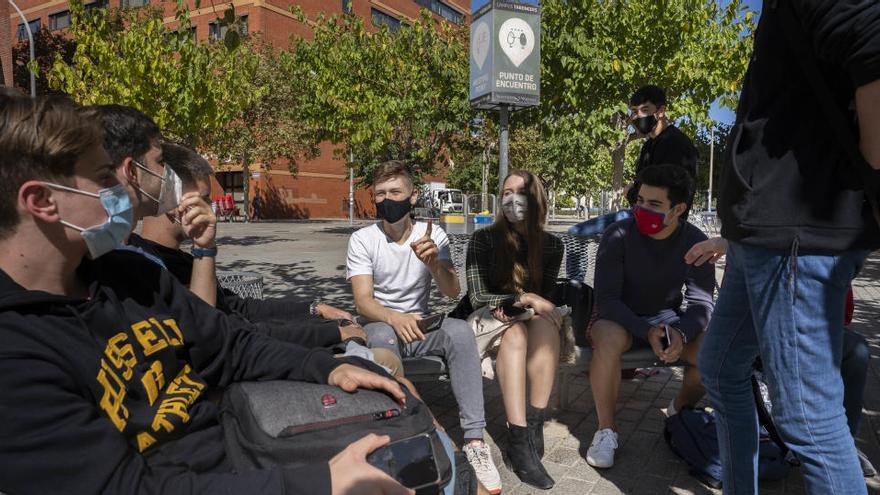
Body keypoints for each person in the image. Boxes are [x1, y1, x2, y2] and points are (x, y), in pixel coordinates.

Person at [0, 93, 411, 494]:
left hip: (244, 439)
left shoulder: (128, 274)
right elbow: (125, 485)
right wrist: (319, 483)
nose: (119, 191)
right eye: (105, 179)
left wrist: (323, 367)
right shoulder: (15, 354)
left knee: (408, 433)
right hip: (224, 476)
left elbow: (229, 343)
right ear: (42, 201)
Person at [698, 1, 880, 493]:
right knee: (719, 366)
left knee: (808, 421)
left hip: (796, 233)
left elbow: (872, 45)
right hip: (759, 236)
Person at [346, 160, 502, 494]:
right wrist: (395, 317)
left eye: (396, 192)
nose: (388, 199)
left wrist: (434, 264)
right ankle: (400, 439)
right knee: (381, 338)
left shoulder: (433, 236)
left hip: (421, 327)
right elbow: (362, 301)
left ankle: (475, 441)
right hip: (381, 326)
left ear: (413, 196)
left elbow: (452, 291)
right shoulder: (363, 239)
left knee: (459, 332)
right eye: (381, 193)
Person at [131, 143, 371, 352]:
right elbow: (223, 333)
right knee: (380, 353)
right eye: (204, 199)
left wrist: (313, 309)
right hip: (244, 366)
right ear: (174, 202)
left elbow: (238, 306)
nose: (210, 209)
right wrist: (330, 335)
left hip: (254, 350)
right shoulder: (153, 268)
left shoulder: (181, 258)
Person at [686, 237, 877, 478]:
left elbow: (838, 318)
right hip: (762, 332)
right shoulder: (757, 245)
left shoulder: (827, 250)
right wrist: (731, 244)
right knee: (723, 365)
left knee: (856, 350)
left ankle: (842, 445)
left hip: (806, 327)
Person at [586, 165, 714, 469]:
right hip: (618, 316)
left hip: (668, 318)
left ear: (678, 209)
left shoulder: (696, 242)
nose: (642, 209)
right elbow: (607, 300)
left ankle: (679, 409)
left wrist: (680, 334)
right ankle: (606, 430)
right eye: (639, 200)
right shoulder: (617, 234)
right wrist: (646, 331)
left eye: (654, 204)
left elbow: (701, 303)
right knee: (609, 338)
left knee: (713, 350)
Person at [460, 170, 566, 490]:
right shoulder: (485, 238)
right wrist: (523, 297)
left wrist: (534, 305)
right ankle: (518, 441)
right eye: (506, 192)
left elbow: (544, 300)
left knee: (547, 327)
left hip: (523, 318)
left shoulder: (551, 245)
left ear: (537, 201)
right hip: (484, 321)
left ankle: (533, 425)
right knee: (516, 334)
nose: (513, 199)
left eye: (521, 192)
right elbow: (477, 296)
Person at [568, 85, 698, 236]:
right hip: (641, 214)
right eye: (635, 111)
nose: (638, 117)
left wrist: (630, 192)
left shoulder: (676, 144)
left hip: (661, 221)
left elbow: (663, 195)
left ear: (661, 111)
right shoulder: (648, 146)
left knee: (576, 232)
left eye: (645, 110)